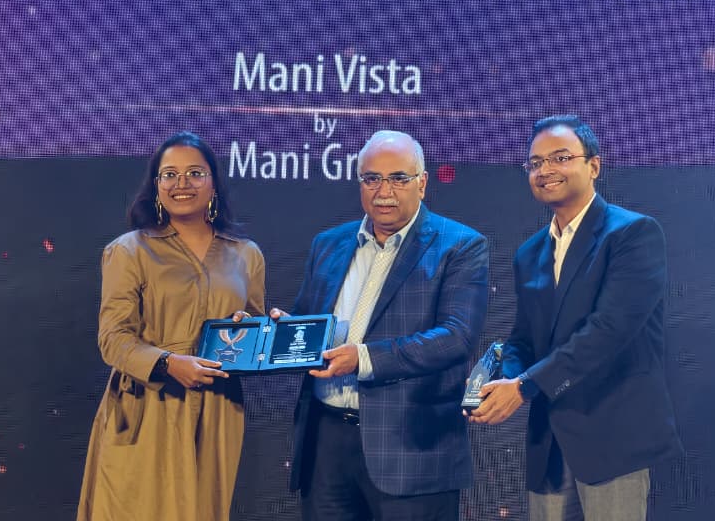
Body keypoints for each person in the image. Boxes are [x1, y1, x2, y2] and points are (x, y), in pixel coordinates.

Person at [468, 115, 682, 521]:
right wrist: (500, 382)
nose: (545, 170)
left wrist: (523, 387)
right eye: (535, 163)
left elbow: (609, 331)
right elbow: (524, 339)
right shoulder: (529, 253)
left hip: (612, 437)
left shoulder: (633, 234)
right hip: (548, 442)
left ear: (594, 166)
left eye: (560, 158)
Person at [270, 130, 489, 521]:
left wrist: (363, 358)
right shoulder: (329, 244)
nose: (384, 191)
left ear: (422, 183)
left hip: (412, 450)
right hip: (326, 444)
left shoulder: (460, 245)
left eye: (398, 178)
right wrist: (276, 333)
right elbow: (308, 323)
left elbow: (456, 337)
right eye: (372, 178)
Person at [77, 131, 265, 521]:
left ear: (213, 183)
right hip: (147, 405)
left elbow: (251, 328)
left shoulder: (246, 255)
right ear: (156, 185)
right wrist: (167, 363)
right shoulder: (129, 251)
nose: (182, 184)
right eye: (170, 175)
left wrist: (259, 331)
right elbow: (113, 338)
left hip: (216, 410)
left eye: (195, 173)